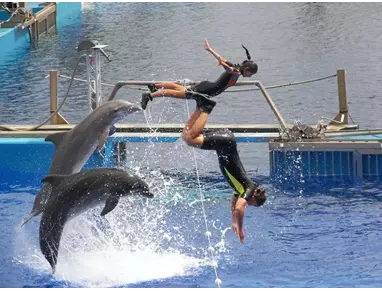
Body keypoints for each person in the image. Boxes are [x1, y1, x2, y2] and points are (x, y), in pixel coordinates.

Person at [179, 93, 266, 243]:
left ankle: (200, 107)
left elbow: (234, 203)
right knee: (191, 140)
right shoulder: (249, 189)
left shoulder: (242, 189)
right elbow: (239, 208)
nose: (246, 205)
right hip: (225, 143)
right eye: (250, 204)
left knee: (186, 135)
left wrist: (233, 221)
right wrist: (241, 229)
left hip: (226, 141)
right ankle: (207, 107)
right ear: (253, 199)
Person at [140, 38, 258, 110]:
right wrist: (222, 64)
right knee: (176, 93)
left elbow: (222, 58)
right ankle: (150, 95)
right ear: (246, 68)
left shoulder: (235, 68)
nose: (250, 76)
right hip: (206, 90)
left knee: (180, 88)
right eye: (250, 73)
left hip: (206, 87)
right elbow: (228, 69)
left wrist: (210, 49)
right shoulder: (236, 72)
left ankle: (155, 86)